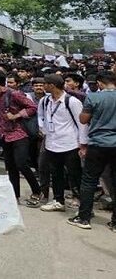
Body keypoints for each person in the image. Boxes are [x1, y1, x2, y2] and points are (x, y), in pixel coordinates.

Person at [69, 70, 116, 231]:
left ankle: (84, 218)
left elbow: (83, 119)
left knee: (89, 181)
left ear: (100, 83)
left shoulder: (94, 97)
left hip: (98, 143)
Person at [0, 70, 42, 206]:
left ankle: (37, 191)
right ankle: (15, 195)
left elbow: (32, 107)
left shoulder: (14, 93)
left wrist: (16, 115)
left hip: (20, 134)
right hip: (5, 134)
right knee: (11, 166)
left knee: (21, 164)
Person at [36, 74, 85, 212]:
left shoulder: (72, 102)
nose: (42, 86)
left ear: (52, 85)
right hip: (52, 143)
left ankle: (80, 202)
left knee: (74, 174)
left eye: (45, 84)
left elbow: (82, 124)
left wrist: (83, 144)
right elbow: (41, 116)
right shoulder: (45, 101)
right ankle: (58, 200)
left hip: (70, 144)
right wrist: (43, 128)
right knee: (56, 173)